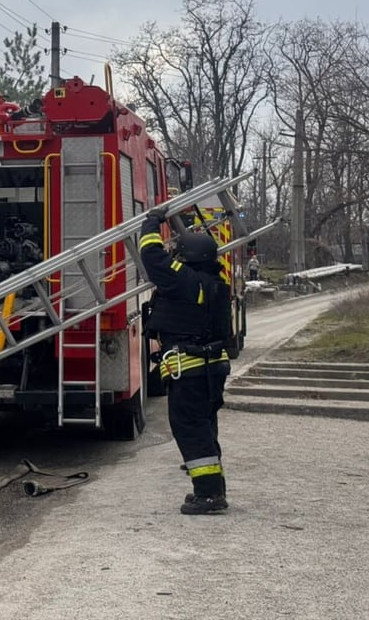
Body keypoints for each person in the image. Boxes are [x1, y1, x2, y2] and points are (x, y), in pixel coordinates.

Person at [140, 207, 232, 515]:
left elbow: (152, 256)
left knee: (190, 428)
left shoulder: (184, 280)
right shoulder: (216, 284)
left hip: (190, 367)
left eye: (179, 252)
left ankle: (208, 495)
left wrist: (152, 222)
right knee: (204, 426)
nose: (174, 256)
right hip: (212, 365)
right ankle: (213, 488)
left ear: (189, 256)